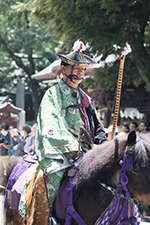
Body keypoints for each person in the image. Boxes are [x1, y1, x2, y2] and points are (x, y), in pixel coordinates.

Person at [19, 40, 108, 220]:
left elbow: (97, 128)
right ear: (64, 68)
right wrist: (71, 147)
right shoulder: (53, 94)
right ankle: (44, 219)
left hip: (87, 153)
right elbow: (51, 123)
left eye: (82, 69)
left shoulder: (87, 100)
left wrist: (105, 147)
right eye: (75, 67)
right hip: (60, 154)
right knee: (51, 179)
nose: (79, 72)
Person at [0, 122, 11, 187]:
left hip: (6, 156)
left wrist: (3, 145)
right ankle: (1, 186)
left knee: (7, 172)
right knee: (0, 173)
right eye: (2, 131)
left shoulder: (10, 136)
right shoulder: (1, 135)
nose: (3, 132)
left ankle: (7, 186)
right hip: (0, 155)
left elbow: (9, 146)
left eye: (5, 131)